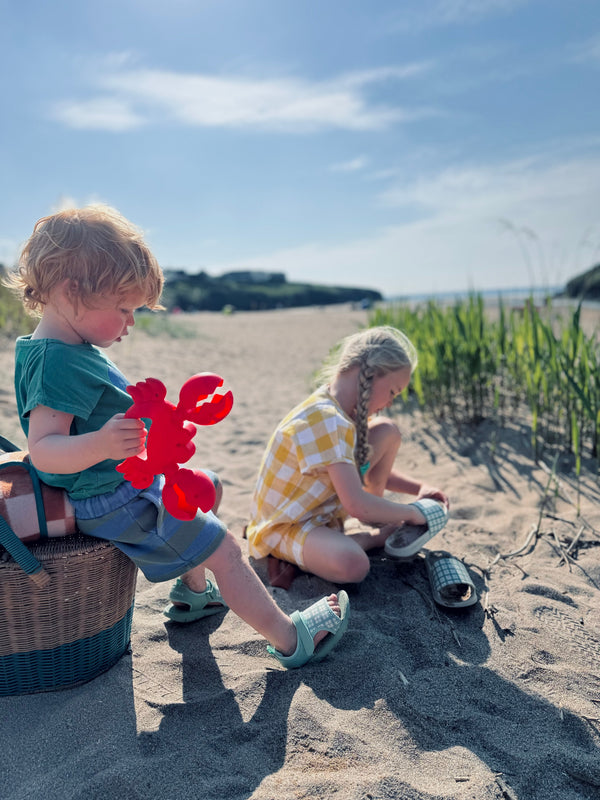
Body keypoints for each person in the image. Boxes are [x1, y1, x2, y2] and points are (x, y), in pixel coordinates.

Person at [6, 204, 349, 669]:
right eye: (123, 308)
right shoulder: (56, 362)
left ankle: (193, 596)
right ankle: (290, 638)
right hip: (113, 499)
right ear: (72, 292)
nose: (130, 323)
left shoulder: (68, 348)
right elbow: (45, 452)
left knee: (208, 489)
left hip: (125, 482)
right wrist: (104, 444)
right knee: (226, 549)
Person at [245, 326, 449, 585]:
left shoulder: (340, 410)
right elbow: (355, 504)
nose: (391, 402)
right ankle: (372, 537)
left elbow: (354, 472)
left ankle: (369, 523)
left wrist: (419, 487)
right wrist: (412, 514)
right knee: (353, 564)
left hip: (322, 514)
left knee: (386, 431)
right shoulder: (327, 419)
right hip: (286, 524)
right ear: (372, 374)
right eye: (393, 392)